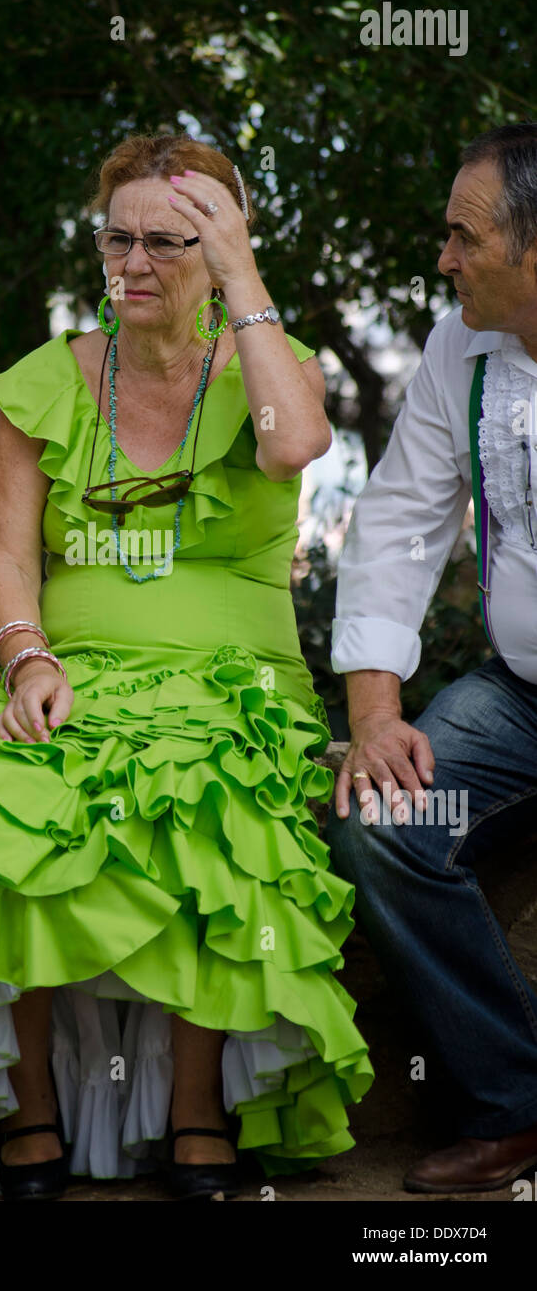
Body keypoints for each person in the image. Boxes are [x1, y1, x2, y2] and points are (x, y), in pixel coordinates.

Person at [0, 133, 373, 1201]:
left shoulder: (268, 368)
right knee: (1, 790)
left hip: (234, 673)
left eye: (167, 241)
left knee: (208, 787)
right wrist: (25, 660)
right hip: (77, 665)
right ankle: (32, 1115)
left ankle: (199, 1114)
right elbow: (5, 555)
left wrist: (243, 280)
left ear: (224, 244)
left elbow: (293, 449)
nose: (134, 263)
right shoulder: (47, 381)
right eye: (118, 238)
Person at [326, 121, 537, 1193]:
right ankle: (514, 1103)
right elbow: (402, 524)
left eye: (463, 236)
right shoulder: (460, 349)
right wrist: (372, 711)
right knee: (386, 817)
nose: (443, 257)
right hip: (519, 699)